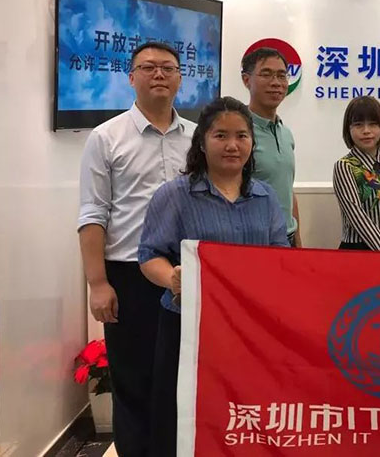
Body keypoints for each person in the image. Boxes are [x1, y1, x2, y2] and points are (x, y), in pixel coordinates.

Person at [138, 97, 289, 456]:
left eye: (241, 136)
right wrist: (172, 278)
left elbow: (280, 257)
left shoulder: (266, 198)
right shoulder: (174, 195)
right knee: (183, 418)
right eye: (221, 135)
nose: (232, 145)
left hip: (250, 331)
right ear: (202, 142)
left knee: (242, 415)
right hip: (188, 327)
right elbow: (149, 255)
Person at [77, 41, 194, 456]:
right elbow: (93, 213)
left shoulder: (197, 138)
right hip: (128, 275)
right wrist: (98, 283)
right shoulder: (106, 137)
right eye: (148, 67)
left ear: (180, 78)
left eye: (168, 67)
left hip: (186, 276)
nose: (159, 74)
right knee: (132, 381)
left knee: (181, 381)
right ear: (131, 77)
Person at [332, 96, 380, 251]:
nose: (366, 131)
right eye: (358, 125)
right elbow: (357, 217)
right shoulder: (344, 166)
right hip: (359, 250)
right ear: (348, 129)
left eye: (373, 124)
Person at [241, 46, 302, 247]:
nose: (276, 83)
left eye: (281, 76)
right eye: (266, 74)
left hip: (287, 240)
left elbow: (288, 190)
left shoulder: (286, 134)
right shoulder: (238, 134)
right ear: (246, 80)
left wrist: (298, 242)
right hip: (255, 243)